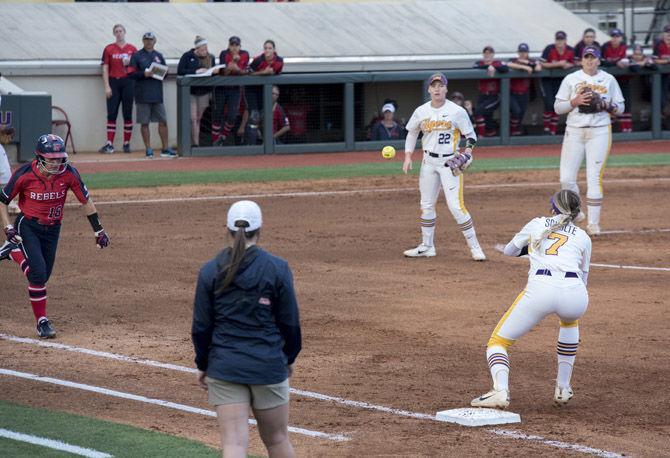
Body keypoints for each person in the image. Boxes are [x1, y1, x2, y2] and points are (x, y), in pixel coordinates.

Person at [192, 200, 301, 458]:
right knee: (277, 440)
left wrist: (203, 363)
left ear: (228, 229)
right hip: (268, 365)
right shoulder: (277, 268)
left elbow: (201, 327)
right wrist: (288, 358)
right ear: (259, 229)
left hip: (225, 366)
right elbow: (290, 323)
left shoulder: (210, 270)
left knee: (234, 445)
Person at [471, 190, 591, 409]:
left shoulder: (537, 223)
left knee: (497, 343)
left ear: (553, 208)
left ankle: (500, 390)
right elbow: (585, 276)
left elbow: (509, 251)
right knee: (570, 321)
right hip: (576, 294)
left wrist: (530, 248)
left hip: (541, 289)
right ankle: (563, 387)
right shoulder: (584, 236)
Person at [0, 134, 110, 338]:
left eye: (59, 157)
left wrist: (99, 230)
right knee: (39, 274)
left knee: (42, 276)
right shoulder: (24, 174)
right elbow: (2, 201)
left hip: (53, 230)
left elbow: (86, 201)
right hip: (28, 226)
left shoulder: (69, 173)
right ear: (40, 157)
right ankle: (42, 322)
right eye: (51, 158)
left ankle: (14, 252)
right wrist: (8, 228)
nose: (56, 162)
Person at [402, 73, 486, 261]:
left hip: (449, 163)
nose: (437, 89)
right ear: (429, 89)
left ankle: (475, 248)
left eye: (441, 85)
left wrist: (468, 152)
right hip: (428, 163)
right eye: (434, 86)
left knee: (456, 206)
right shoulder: (421, 111)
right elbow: (412, 133)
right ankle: (427, 246)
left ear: (446, 89)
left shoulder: (457, 111)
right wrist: (408, 156)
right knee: (426, 205)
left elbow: (471, 136)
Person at [554, 46, 624, 236]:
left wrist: (607, 105)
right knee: (566, 179)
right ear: (581, 60)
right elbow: (558, 108)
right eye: (587, 57)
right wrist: (574, 102)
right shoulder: (571, 79)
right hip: (574, 131)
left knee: (594, 177)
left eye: (593, 58)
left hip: (600, 131)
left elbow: (621, 107)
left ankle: (593, 224)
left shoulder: (609, 79)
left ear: (599, 60)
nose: (590, 60)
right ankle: (576, 213)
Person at [129, 32, 175, 158]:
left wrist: (165, 72)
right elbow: (131, 73)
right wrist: (144, 74)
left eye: (151, 40)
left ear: (155, 41)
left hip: (157, 94)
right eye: (146, 40)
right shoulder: (137, 56)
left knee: (163, 121)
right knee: (145, 123)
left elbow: (165, 73)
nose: (148, 42)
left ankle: (165, 148)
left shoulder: (159, 56)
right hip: (142, 94)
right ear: (143, 41)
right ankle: (148, 149)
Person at [99, 24, 137, 155]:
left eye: (121, 31)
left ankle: (126, 143)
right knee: (112, 113)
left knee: (127, 113)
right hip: (114, 82)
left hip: (128, 82)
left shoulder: (132, 49)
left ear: (125, 32)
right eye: (116, 31)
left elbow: (137, 68)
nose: (119, 33)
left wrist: (129, 65)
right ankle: (109, 144)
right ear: (114, 34)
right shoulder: (109, 49)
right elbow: (104, 68)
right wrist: (107, 86)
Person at [178, 35, 219, 147]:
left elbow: (213, 71)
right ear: (197, 48)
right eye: (202, 49)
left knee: (198, 118)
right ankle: (194, 144)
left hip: (204, 91)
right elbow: (180, 71)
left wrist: (212, 71)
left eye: (206, 48)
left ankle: (196, 142)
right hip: (191, 91)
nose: (204, 51)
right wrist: (196, 71)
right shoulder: (187, 56)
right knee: (192, 118)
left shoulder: (210, 57)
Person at [213, 36, 250, 146]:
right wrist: (233, 63)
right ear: (229, 46)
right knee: (217, 115)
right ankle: (215, 142)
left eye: (236, 45)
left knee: (232, 116)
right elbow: (225, 72)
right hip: (221, 87)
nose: (234, 48)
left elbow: (244, 72)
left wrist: (236, 68)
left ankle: (222, 137)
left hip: (235, 88)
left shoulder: (245, 54)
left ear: (240, 46)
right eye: (232, 45)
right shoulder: (224, 53)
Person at [541, 31, 576, 135]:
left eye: (561, 40)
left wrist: (569, 65)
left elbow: (575, 62)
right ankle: (546, 128)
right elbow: (542, 64)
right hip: (548, 80)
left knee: (558, 104)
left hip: (561, 81)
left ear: (565, 40)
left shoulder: (570, 50)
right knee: (549, 104)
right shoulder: (549, 48)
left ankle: (552, 129)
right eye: (558, 40)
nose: (559, 42)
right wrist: (557, 64)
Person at [507, 43, 542, 136]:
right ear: (518, 53)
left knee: (521, 113)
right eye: (521, 52)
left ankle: (515, 131)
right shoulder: (514, 60)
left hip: (525, 93)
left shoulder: (531, 61)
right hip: (512, 93)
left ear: (527, 53)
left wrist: (527, 63)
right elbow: (509, 64)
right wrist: (524, 67)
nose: (523, 54)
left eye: (525, 52)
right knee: (516, 111)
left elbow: (538, 68)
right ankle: (512, 131)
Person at [472, 46, 508, 137]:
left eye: (489, 53)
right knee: (487, 117)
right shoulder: (479, 63)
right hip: (482, 95)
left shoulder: (498, 63)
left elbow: (505, 68)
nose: (487, 55)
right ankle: (491, 134)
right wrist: (489, 66)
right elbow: (475, 67)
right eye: (486, 53)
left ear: (493, 54)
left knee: (478, 112)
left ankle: (481, 136)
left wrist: (493, 66)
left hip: (494, 96)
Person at [601, 28, 632, 132]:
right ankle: (609, 129)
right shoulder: (605, 46)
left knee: (625, 103)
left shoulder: (625, 47)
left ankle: (627, 129)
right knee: (608, 103)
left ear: (621, 37)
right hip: (609, 82)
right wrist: (616, 63)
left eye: (617, 37)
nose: (615, 39)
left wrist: (627, 63)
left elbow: (634, 60)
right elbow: (601, 62)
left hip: (623, 80)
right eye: (613, 36)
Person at [247, 39, 284, 128]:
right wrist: (263, 72)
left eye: (270, 48)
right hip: (252, 89)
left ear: (274, 50)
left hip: (265, 89)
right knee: (254, 116)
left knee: (265, 115)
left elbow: (277, 73)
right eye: (265, 48)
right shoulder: (258, 60)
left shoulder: (279, 61)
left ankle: (263, 139)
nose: (267, 50)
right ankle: (251, 139)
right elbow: (248, 73)